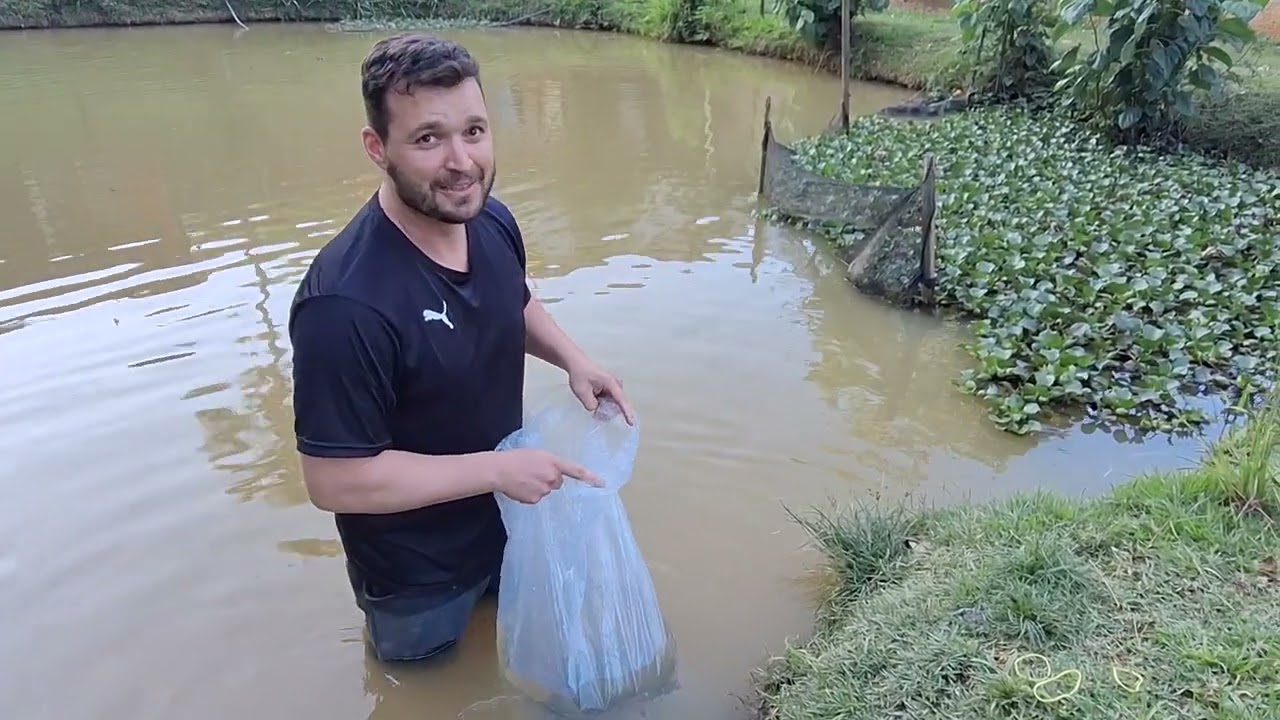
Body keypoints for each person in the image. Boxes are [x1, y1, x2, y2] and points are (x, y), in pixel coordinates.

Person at [286, 32, 635, 664]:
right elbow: (333, 480)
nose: (462, 161)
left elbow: (512, 300)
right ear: (377, 148)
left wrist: (574, 360)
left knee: (515, 657)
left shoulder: (490, 220)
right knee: (422, 686)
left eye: (473, 131)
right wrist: (497, 470)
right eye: (428, 138)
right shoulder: (345, 306)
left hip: (508, 520)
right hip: (414, 575)